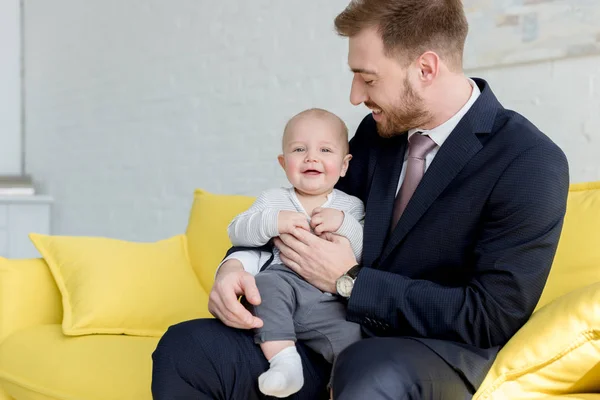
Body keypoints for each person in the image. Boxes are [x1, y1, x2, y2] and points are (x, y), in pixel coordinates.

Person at [151, 0, 570, 399]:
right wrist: (234, 267)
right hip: (324, 330)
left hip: (432, 353)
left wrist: (350, 280)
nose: (355, 96)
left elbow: (489, 316)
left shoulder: (529, 160)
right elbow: (305, 209)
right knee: (187, 347)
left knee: (371, 368)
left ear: (425, 68)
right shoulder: (377, 134)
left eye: (368, 79)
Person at [227, 108, 364, 398]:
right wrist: (272, 221)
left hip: (330, 301)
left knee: (355, 338)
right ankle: (285, 364)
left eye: (325, 150)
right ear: (283, 162)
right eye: (299, 149)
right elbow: (236, 230)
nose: (311, 157)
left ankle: (339, 390)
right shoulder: (273, 199)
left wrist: (344, 224)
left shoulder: (351, 207)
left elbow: (363, 252)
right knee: (264, 284)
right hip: (283, 286)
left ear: (344, 165)